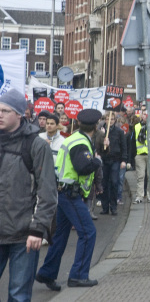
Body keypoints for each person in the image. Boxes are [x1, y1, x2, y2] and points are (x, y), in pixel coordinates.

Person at [36, 109, 104, 290]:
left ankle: (46, 273)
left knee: (60, 235)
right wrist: (97, 161)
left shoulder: (74, 138)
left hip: (64, 192)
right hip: (69, 194)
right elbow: (83, 167)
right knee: (88, 233)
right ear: (95, 126)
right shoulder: (81, 143)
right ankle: (78, 276)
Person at [0, 89, 58, 300]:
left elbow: (48, 192)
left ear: (19, 114)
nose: (0, 114)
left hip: (24, 234)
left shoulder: (36, 146)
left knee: (19, 295)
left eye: (5, 110)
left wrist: (38, 229)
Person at [99, 113, 127, 215]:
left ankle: (113, 206)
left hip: (115, 159)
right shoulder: (101, 132)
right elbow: (97, 146)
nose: (110, 121)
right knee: (104, 183)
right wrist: (103, 140)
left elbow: (124, 147)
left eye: (111, 119)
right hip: (104, 160)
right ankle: (105, 207)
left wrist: (124, 160)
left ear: (114, 120)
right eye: (107, 119)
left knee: (114, 182)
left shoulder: (119, 132)